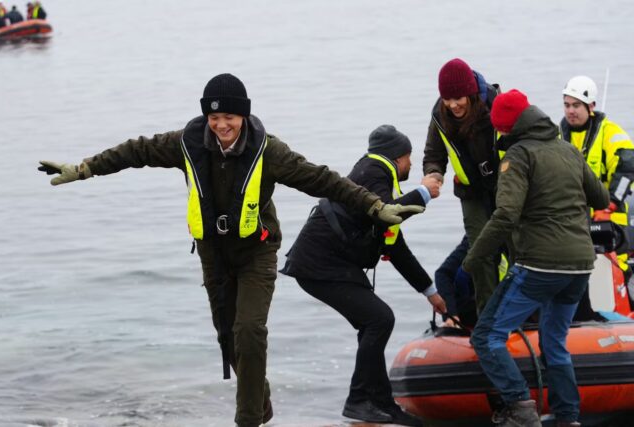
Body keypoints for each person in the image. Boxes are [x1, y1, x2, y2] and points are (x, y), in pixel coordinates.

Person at [37, 74, 422, 427]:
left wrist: (376, 207)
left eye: (230, 118)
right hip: (213, 254)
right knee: (228, 339)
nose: (221, 125)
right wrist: (84, 169)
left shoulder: (269, 151)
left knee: (249, 330)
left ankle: (248, 421)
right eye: (214, 117)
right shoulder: (187, 143)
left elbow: (324, 180)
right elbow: (136, 151)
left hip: (256, 252)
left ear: (244, 116)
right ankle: (260, 400)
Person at [282, 124, 446, 426]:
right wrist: (424, 192)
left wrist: (430, 292)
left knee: (373, 323)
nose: (411, 164)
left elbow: (396, 248)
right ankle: (358, 401)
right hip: (320, 265)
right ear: (398, 157)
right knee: (379, 319)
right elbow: (385, 212)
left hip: (331, 266)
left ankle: (382, 404)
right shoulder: (373, 170)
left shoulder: (374, 176)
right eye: (409, 158)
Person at [464, 89, 609, 427]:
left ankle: (519, 406)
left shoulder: (518, 156)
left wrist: (474, 258)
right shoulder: (568, 150)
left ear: (505, 127)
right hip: (580, 265)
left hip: (540, 264)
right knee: (554, 342)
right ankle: (568, 417)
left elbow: (506, 215)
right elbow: (601, 198)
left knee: (486, 336)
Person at [422, 58, 502, 315]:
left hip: (505, 188)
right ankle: (488, 316)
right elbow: (434, 154)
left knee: (516, 246)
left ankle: (524, 313)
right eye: (447, 98)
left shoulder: (495, 105)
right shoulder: (439, 115)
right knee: (479, 252)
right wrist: (433, 175)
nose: (453, 104)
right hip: (471, 193)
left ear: (471, 93)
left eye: (458, 98)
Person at [561, 75, 634, 270]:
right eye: (567, 105)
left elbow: (628, 168)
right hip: (571, 222)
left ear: (591, 106)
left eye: (576, 105)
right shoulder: (558, 136)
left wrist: (609, 205)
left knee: (616, 270)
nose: (570, 111)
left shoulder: (610, 133)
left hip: (608, 218)